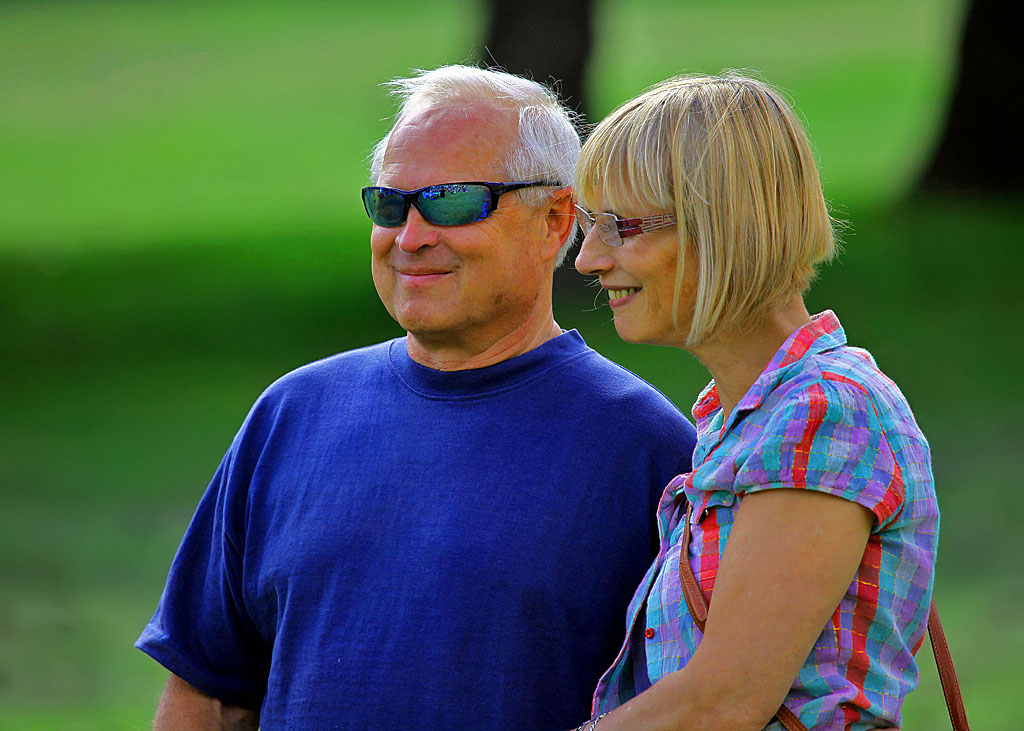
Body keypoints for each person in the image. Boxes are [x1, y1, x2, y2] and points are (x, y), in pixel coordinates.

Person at [135, 65, 697, 730]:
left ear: (554, 220)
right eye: (390, 205)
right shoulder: (291, 414)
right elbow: (207, 692)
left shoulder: (646, 448)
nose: (412, 237)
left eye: (453, 201)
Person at [570, 74, 939, 730]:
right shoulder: (739, 417)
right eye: (588, 227)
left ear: (721, 227)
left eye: (620, 227)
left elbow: (723, 700)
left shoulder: (826, 413)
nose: (589, 259)